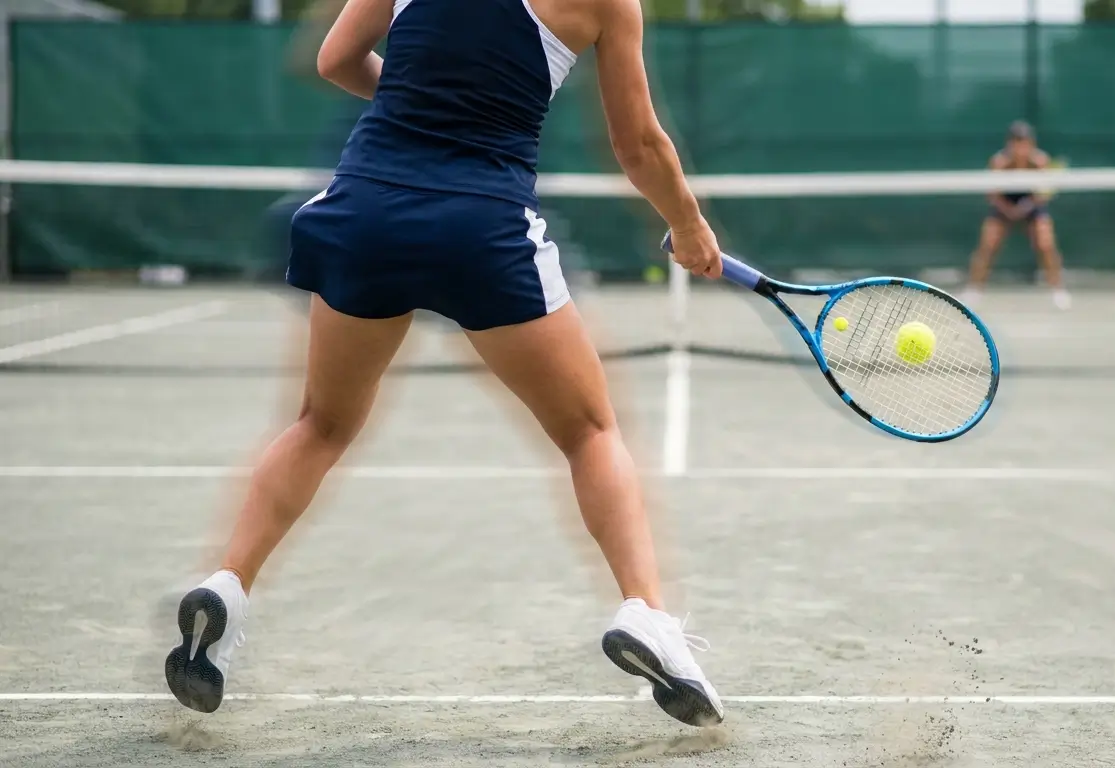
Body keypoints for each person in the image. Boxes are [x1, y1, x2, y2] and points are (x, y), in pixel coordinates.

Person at [162, 0, 727, 728]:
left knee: (320, 425)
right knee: (590, 431)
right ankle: (646, 612)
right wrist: (688, 224)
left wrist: (422, 98)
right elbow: (638, 145)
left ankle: (227, 587)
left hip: (363, 213)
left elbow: (336, 60)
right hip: (479, 228)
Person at [962, 120, 1071, 310]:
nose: (1020, 147)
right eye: (1016, 142)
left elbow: (1043, 194)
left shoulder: (1040, 162)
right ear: (1009, 144)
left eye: (1024, 142)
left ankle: (1058, 290)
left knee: (1046, 243)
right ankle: (974, 290)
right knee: (987, 244)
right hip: (1004, 205)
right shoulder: (999, 163)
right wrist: (1009, 210)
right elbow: (992, 195)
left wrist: (1026, 207)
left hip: (1031, 206)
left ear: (1031, 143)